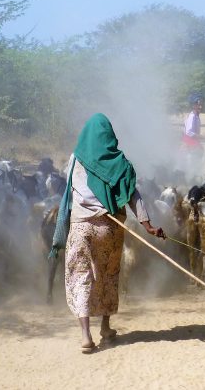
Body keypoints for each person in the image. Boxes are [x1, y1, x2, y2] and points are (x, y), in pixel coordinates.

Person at [48, 113, 164, 353]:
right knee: (107, 276)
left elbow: (68, 190)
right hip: (110, 228)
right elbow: (133, 194)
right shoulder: (120, 162)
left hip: (80, 227)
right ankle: (105, 327)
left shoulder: (74, 159)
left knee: (81, 277)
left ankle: (85, 335)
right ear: (109, 134)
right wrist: (148, 226)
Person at [180, 94, 205, 172]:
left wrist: (203, 138)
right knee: (191, 168)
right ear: (193, 105)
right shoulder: (192, 116)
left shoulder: (196, 116)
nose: (200, 106)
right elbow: (189, 132)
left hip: (192, 145)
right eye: (198, 104)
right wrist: (203, 137)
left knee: (195, 166)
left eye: (201, 104)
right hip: (190, 146)